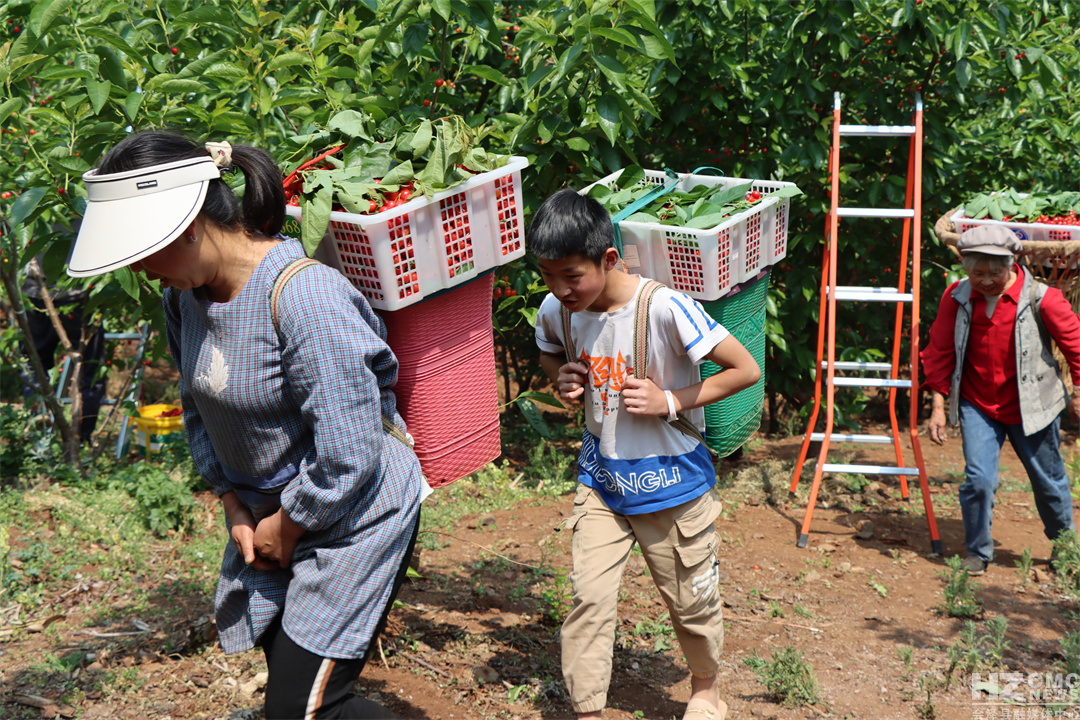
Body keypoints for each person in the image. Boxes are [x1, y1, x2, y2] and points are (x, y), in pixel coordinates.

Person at [66, 130, 425, 719]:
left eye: (146, 255)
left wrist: (290, 523)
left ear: (185, 229)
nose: (147, 273)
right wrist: (234, 502)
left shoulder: (304, 296)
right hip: (267, 515)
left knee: (306, 708)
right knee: (286, 672)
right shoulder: (186, 297)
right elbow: (196, 405)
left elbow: (350, 448)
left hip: (354, 512)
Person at [530, 189, 760, 720]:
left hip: (673, 484)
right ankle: (588, 709)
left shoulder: (664, 308)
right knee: (588, 599)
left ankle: (706, 689)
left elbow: (743, 370)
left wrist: (671, 399)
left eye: (571, 275)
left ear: (608, 259)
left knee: (691, 603)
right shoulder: (558, 311)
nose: (559, 289)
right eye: (547, 276)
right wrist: (561, 380)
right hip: (603, 481)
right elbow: (548, 353)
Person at [922, 224, 1080, 576]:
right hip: (979, 403)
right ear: (964, 267)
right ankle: (977, 552)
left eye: (996, 271)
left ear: (1011, 264)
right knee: (978, 478)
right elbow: (939, 351)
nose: (987, 280)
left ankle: (1064, 545)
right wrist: (936, 406)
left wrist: (1078, 393)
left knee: (1048, 480)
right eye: (977, 273)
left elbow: (1075, 345)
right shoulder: (957, 297)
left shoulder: (1043, 298)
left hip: (1033, 404)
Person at [20, 255, 106, 442]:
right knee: (90, 369)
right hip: (79, 291)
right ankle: (82, 438)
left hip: (36, 290)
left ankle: (38, 415)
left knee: (33, 361)